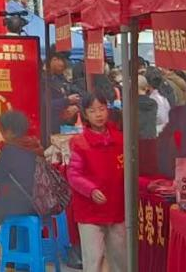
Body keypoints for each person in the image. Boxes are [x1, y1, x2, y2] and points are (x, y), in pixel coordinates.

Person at [68, 92, 127, 272]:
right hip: (90, 210)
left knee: (120, 259)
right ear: (85, 115)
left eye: (101, 109)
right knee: (93, 259)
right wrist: (91, 190)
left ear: (108, 110)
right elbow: (73, 175)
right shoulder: (79, 142)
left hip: (117, 207)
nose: (98, 114)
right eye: (92, 111)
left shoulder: (121, 139)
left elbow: (129, 171)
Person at [0, 111, 39, 271]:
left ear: (9, 131)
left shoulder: (10, 150)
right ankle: (11, 256)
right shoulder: (35, 146)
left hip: (17, 206)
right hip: (38, 204)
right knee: (9, 212)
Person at [46, 52, 81, 131]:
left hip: (64, 125)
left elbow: (78, 93)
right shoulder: (43, 80)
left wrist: (76, 107)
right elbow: (45, 105)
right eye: (61, 66)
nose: (63, 68)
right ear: (54, 60)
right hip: (50, 126)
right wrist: (67, 101)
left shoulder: (60, 78)